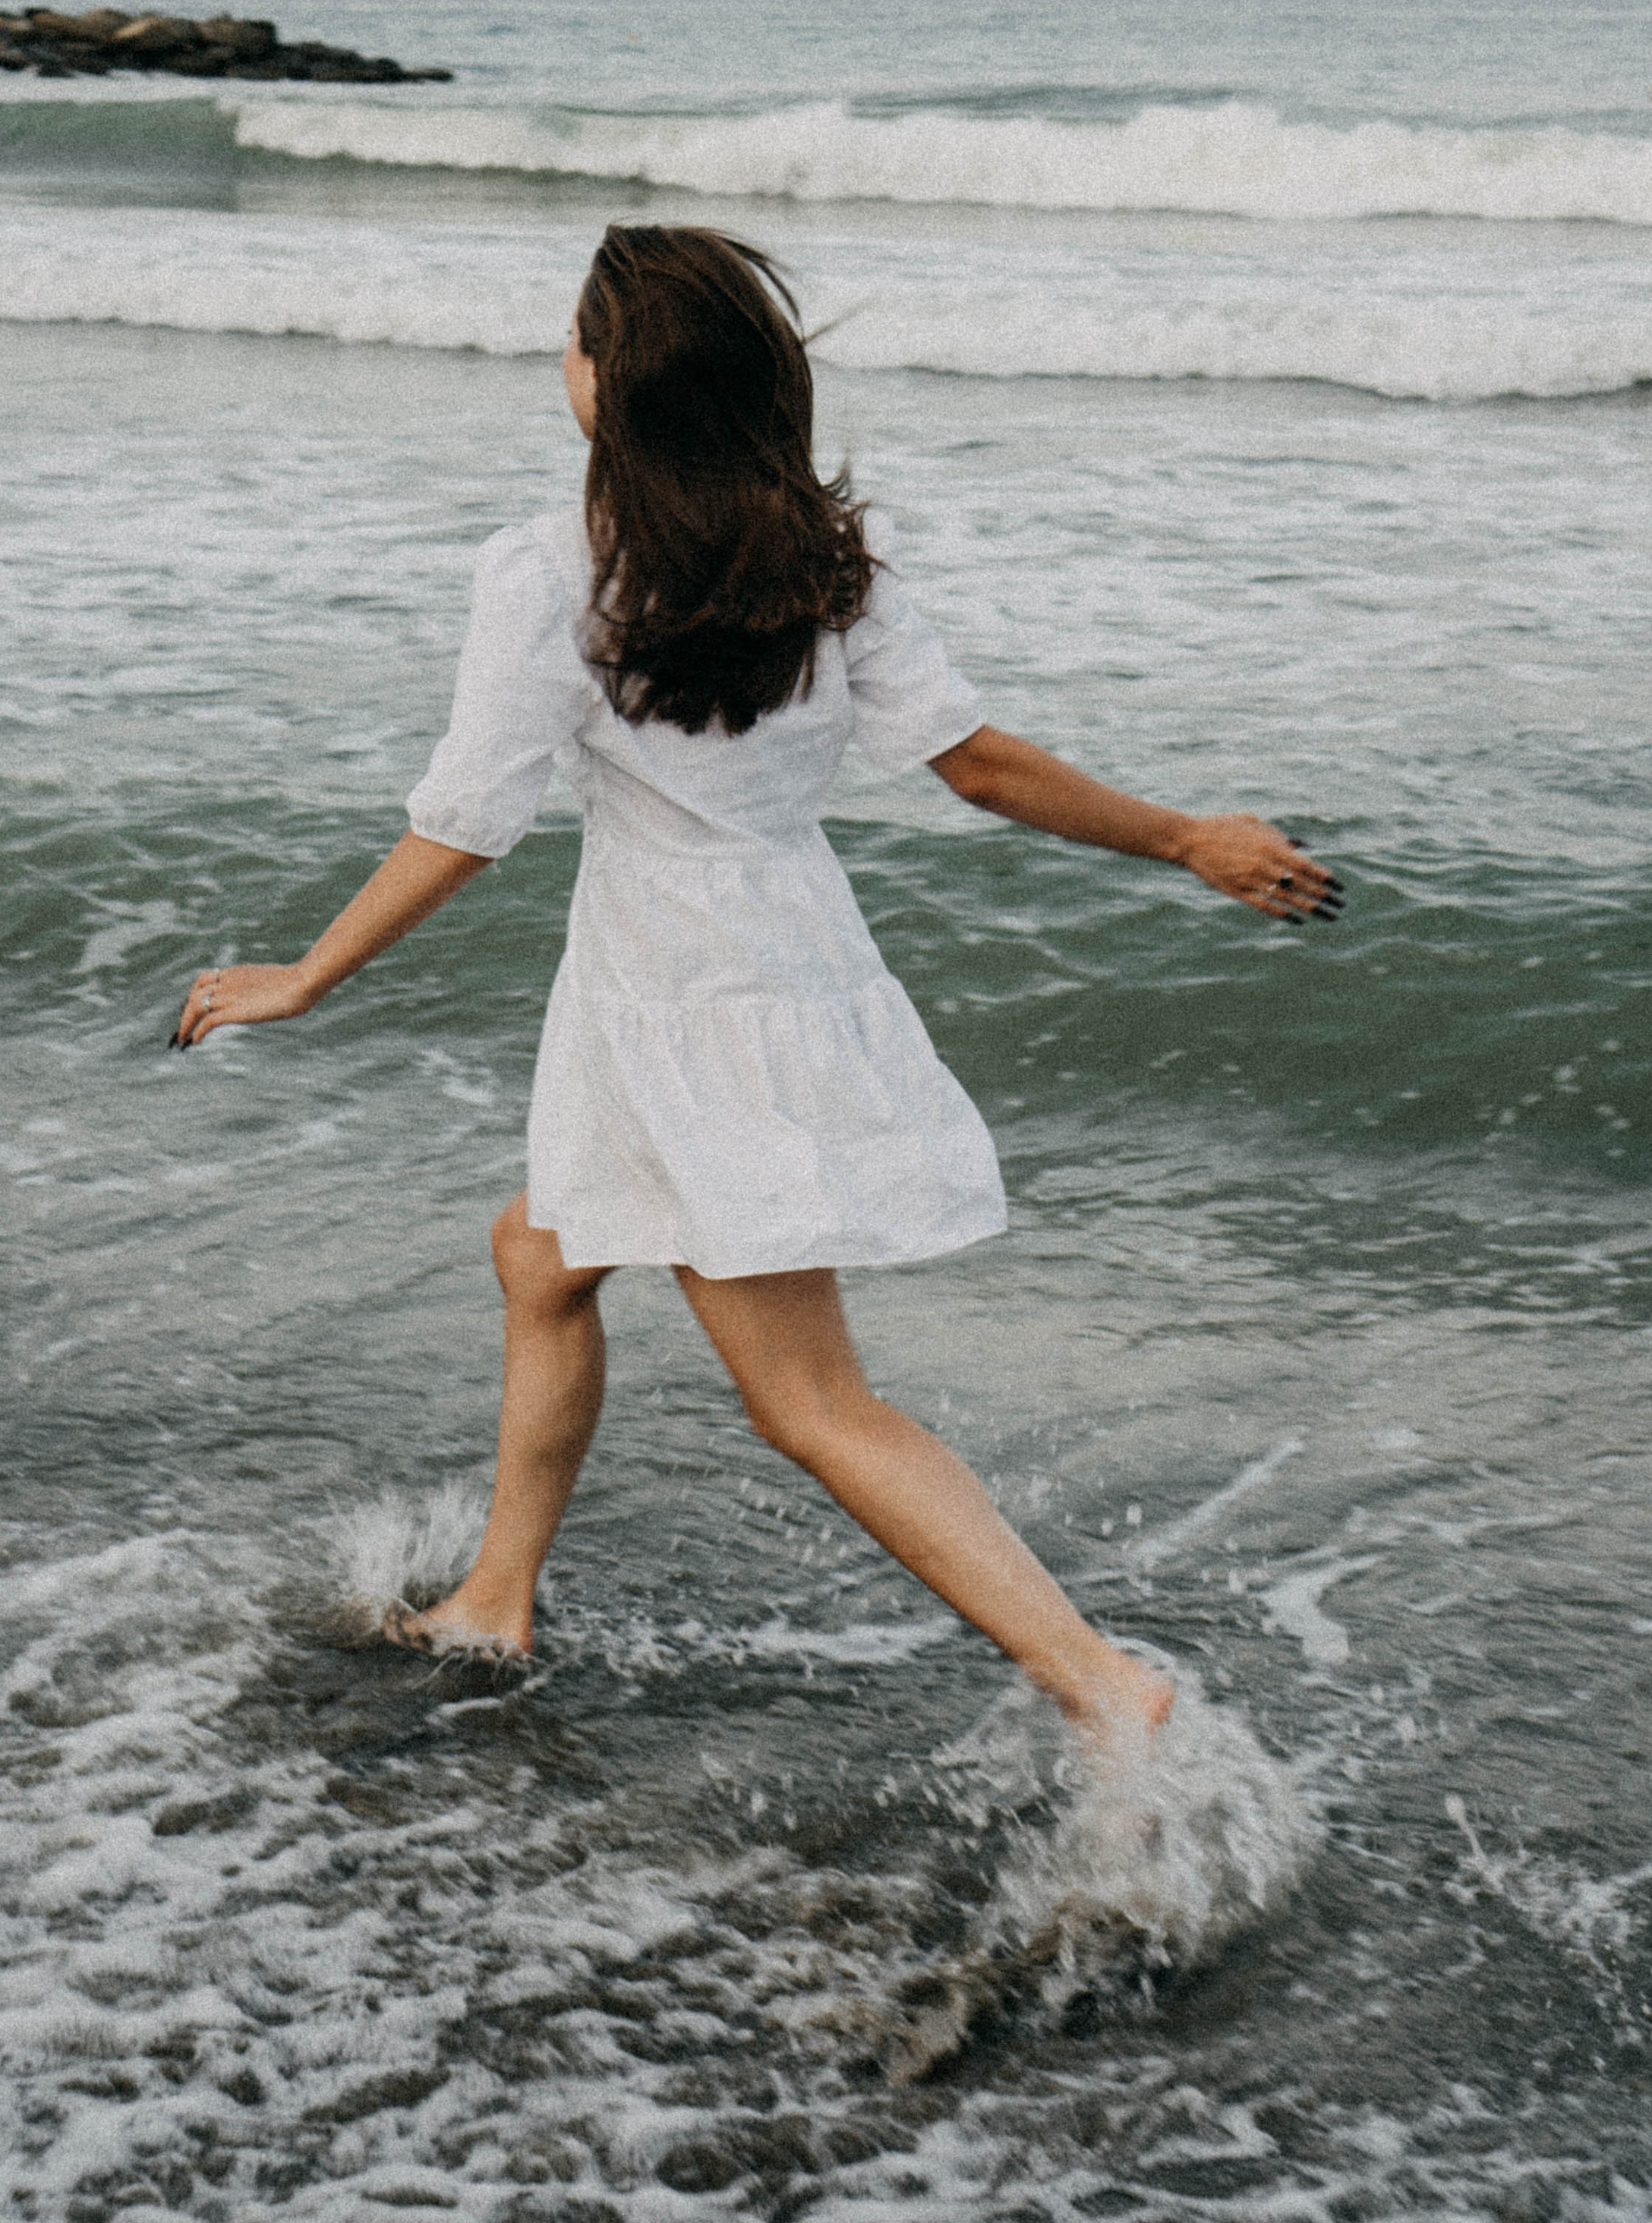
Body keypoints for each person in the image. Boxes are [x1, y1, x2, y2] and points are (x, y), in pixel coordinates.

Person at [174, 225, 1341, 1751]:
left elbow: (467, 815)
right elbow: (976, 767)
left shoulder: (547, 572)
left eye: (576, 343)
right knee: (543, 1255)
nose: (564, 363)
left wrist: (308, 975)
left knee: (806, 1401)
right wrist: (1181, 835)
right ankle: (494, 1598)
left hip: (682, 999)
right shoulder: (825, 559)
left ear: (607, 388)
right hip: (776, 961)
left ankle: (1100, 1687)